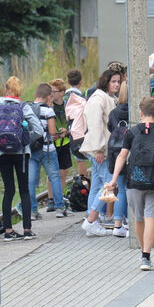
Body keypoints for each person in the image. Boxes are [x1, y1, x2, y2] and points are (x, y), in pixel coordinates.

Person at [106, 96, 154, 270]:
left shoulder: (131, 132)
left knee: (139, 218)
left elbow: (122, 156)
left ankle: (143, 253)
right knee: (151, 217)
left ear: (140, 112)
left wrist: (113, 179)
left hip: (134, 182)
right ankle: (146, 256)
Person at [0, 76, 42, 240]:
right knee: (24, 190)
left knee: (9, 190)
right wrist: (25, 140)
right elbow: (39, 130)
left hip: (3, 154)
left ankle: (8, 231)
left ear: (6, 90)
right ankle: (27, 230)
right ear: (19, 91)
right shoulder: (23, 107)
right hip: (21, 153)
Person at [80, 66, 121, 236]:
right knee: (109, 184)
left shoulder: (104, 98)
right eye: (113, 81)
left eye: (119, 82)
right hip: (100, 149)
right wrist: (99, 149)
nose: (117, 85)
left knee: (97, 186)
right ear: (106, 82)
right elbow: (95, 126)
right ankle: (91, 220)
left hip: (100, 148)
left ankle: (92, 221)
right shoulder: (98, 100)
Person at [27, 83, 67, 220]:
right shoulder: (49, 111)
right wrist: (61, 134)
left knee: (30, 180)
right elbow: (52, 132)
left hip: (32, 149)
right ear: (49, 96)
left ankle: (32, 211)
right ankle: (60, 208)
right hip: (47, 149)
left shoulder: (27, 109)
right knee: (54, 177)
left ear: (35, 95)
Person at [106, 81, 130, 237]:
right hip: (131, 153)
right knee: (131, 189)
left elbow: (110, 128)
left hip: (116, 154)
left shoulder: (114, 112)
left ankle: (117, 224)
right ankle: (130, 221)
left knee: (120, 188)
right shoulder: (136, 111)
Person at [48, 78, 72, 202]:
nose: (51, 94)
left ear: (62, 92)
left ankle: (60, 197)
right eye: (50, 91)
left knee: (63, 172)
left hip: (65, 143)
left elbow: (75, 124)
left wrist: (67, 131)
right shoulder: (48, 106)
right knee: (51, 173)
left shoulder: (68, 105)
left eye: (54, 91)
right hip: (52, 144)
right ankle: (51, 198)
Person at [65, 69, 88, 179]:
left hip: (63, 133)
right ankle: (83, 184)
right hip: (78, 133)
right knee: (81, 160)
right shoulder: (82, 98)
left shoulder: (63, 97)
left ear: (68, 82)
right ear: (81, 82)